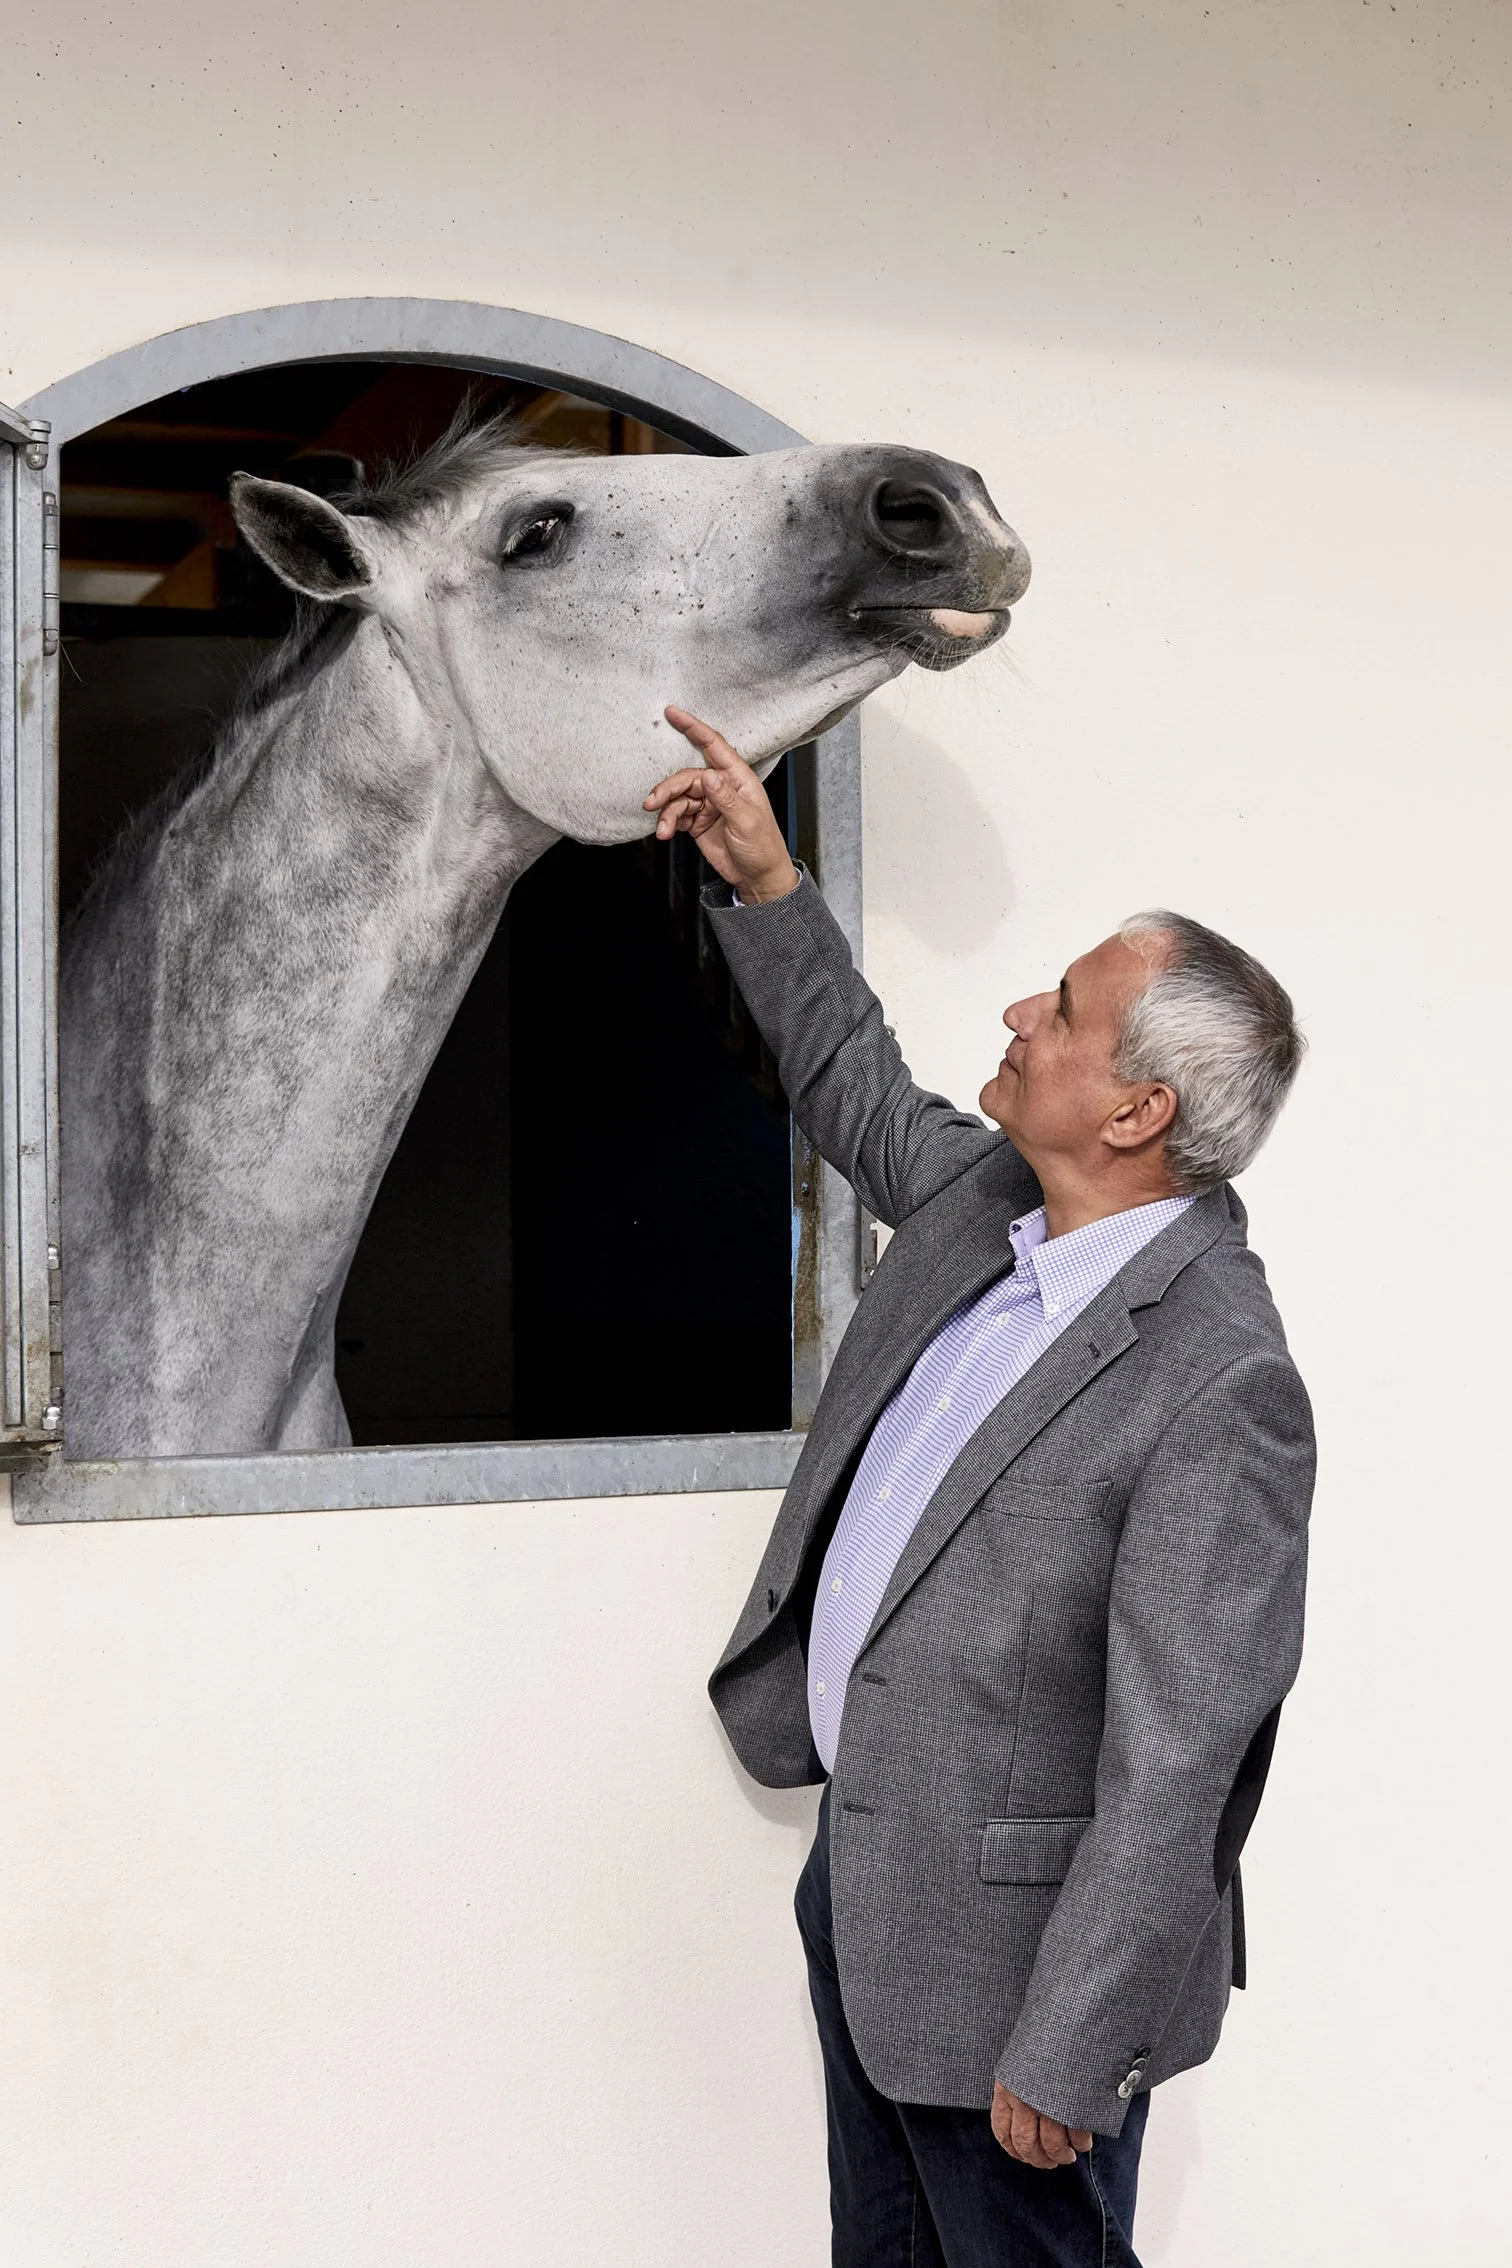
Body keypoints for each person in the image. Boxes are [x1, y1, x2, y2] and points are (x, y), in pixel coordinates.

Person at [645, 709, 1316, 2268]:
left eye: (1067, 1011)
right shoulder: (987, 1208)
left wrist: (1072, 2044)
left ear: (1140, 1111)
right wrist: (763, 879)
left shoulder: (1225, 1383)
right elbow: (852, 1081)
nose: (1020, 1010)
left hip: (1017, 1983)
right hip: (876, 1899)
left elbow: (1180, 1760)